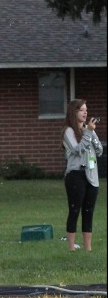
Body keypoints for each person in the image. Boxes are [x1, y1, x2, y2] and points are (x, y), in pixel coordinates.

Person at [62, 99, 102, 253]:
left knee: (88, 211)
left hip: (91, 174)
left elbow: (99, 151)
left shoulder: (88, 130)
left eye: (86, 110)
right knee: (75, 209)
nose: (85, 113)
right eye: (82, 110)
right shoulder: (68, 131)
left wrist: (91, 133)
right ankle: (71, 247)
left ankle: (88, 249)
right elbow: (77, 150)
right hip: (76, 175)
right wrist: (89, 133)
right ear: (74, 112)